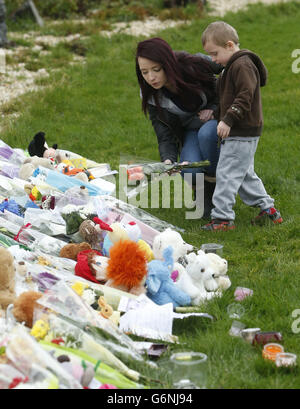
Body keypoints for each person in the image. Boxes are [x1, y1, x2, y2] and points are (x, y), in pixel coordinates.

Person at [200, 21, 282, 231]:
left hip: (241, 130)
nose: (213, 59)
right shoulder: (232, 66)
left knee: (226, 174)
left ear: (229, 45)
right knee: (244, 174)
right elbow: (229, 97)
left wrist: (228, 119)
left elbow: (246, 96)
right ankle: (268, 209)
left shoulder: (242, 65)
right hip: (243, 131)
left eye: (214, 53)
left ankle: (222, 219)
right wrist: (216, 114)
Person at [135, 37, 223, 218]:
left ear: (167, 64)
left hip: (217, 123)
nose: (151, 77)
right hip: (190, 131)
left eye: (156, 70)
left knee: (207, 134)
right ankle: (205, 190)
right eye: (144, 72)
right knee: (190, 171)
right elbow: (164, 134)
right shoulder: (151, 95)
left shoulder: (194, 65)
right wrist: (167, 161)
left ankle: (217, 190)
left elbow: (233, 69)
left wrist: (214, 110)